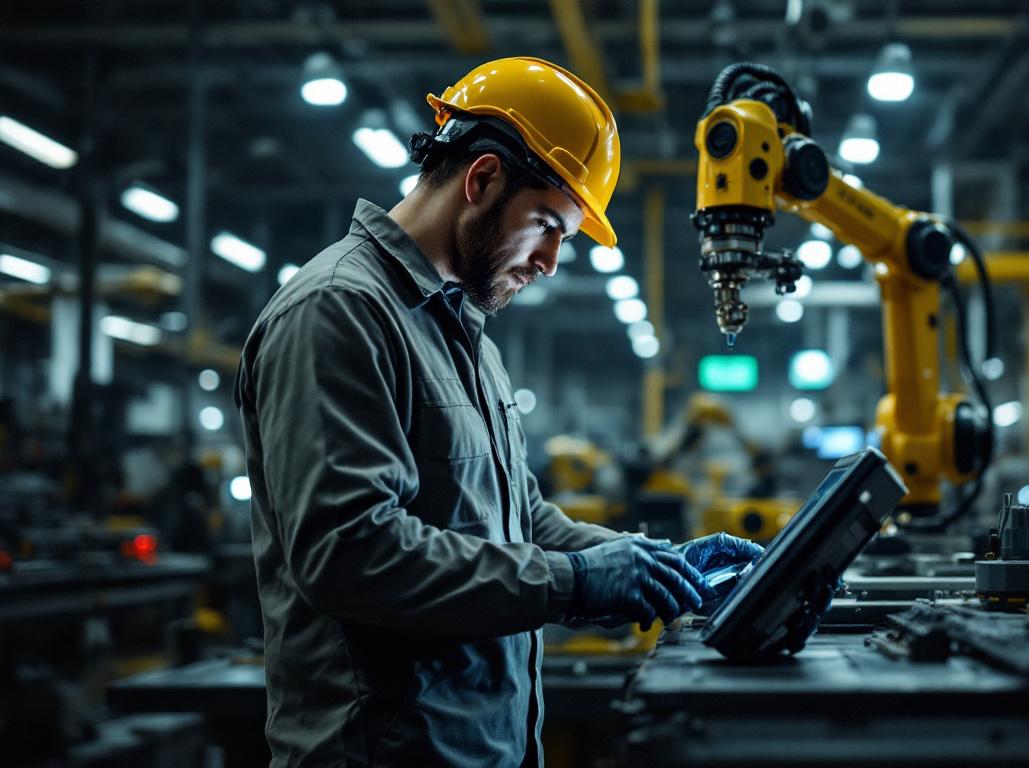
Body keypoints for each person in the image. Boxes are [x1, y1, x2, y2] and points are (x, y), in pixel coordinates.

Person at [233, 58, 763, 767]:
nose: (549, 262)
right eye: (545, 224)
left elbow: (519, 516)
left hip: (484, 744)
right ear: (481, 180)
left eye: (563, 238)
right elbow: (350, 551)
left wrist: (651, 564)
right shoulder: (338, 312)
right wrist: (574, 585)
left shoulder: (463, 332)